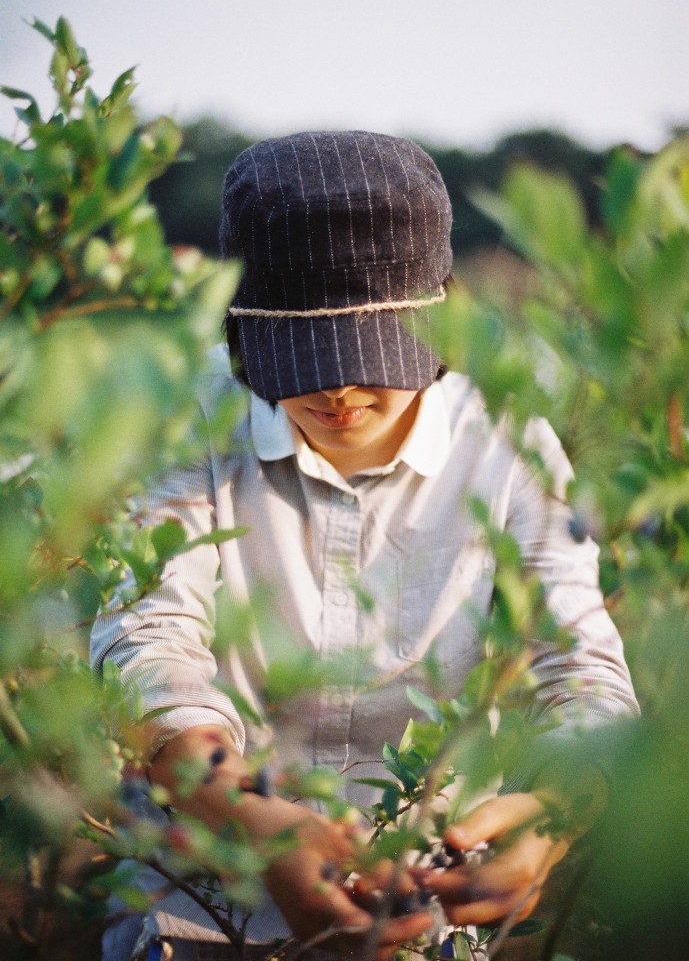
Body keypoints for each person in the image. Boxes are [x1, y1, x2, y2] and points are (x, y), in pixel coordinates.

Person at [90, 130, 638, 961]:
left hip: (423, 903)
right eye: (300, 359)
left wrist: (547, 827)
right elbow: (148, 638)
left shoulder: (506, 442)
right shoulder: (185, 417)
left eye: (366, 356)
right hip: (201, 896)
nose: (338, 389)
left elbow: (579, 667)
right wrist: (252, 819)